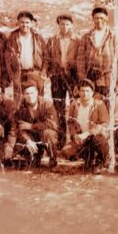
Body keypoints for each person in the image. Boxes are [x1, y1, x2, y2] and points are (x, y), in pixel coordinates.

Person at [75, 6, 118, 100]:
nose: (99, 21)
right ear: (93, 19)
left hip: (108, 80)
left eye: (101, 18)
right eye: (96, 18)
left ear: (107, 18)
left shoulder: (115, 37)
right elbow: (80, 61)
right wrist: (82, 80)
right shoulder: (86, 37)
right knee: (91, 105)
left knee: (107, 105)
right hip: (90, 79)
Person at [44, 13, 79, 142]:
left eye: (67, 24)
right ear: (58, 25)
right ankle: (61, 138)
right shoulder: (52, 40)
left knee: (75, 106)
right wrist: (47, 71)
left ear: (72, 25)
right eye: (62, 24)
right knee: (58, 108)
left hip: (73, 77)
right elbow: (47, 58)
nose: (65, 27)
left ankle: (76, 137)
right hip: (57, 77)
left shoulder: (77, 41)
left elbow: (81, 59)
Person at [60, 80, 109, 170]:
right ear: (78, 92)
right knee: (66, 151)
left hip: (95, 136)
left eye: (87, 91)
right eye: (82, 91)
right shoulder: (74, 104)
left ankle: (101, 160)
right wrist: (74, 136)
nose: (85, 94)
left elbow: (105, 124)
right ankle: (88, 157)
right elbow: (70, 122)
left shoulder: (99, 104)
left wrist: (87, 133)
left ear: (92, 92)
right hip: (81, 139)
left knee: (98, 139)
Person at [11, 80, 59, 169]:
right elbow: (20, 128)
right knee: (20, 143)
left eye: (32, 93)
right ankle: (35, 157)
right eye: (27, 94)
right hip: (31, 137)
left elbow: (52, 124)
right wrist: (28, 141)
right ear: (23, 95)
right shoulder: (20, 107)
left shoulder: (47, 103)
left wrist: (32, 126)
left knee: (49, 134)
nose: (30, 96)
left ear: (37, 92)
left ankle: (52, 159)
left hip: (44, 134)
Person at [4, 11, 45, 100]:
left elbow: (46, 56)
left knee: (38, 99)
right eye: (22, 22)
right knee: (19, 100)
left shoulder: (38, 37)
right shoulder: (12, 37)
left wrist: (43, 72)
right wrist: (12, 75)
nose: (24, 25)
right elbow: (7, 59)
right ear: (18, 23)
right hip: (19, 74)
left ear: (31, 23)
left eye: (27, 22)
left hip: (35, 73)